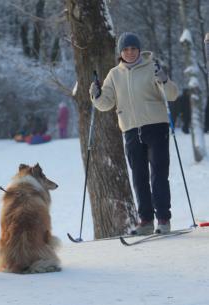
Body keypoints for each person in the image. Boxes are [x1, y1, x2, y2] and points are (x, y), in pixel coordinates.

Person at [89, 32, 179, 235]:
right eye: (125, 49)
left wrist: (164, 80)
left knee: (159, 175)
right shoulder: (114, 74)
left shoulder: (152, 67)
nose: (130, 52)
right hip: (130, 129)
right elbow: (106, 104)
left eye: (133, 48)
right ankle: (146, 221)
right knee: (139, 177)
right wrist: (95, 95)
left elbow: (172, 95)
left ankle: (163, 219)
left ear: (139, 50)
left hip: (156, 127)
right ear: (120, 52)